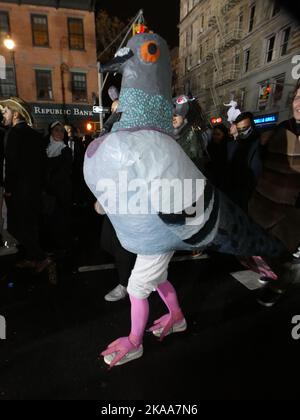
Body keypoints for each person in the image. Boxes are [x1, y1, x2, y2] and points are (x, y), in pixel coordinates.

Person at [84, 33, 298, 369]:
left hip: (179, 228)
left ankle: (135, 342)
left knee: (139, 288)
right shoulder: (134, 141)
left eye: (146, 52)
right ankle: (179, 317)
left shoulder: (156, 149)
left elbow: (178, 208)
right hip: (158, 234)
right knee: (158, 277)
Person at [249, 79, 300, 306]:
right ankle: (274, 274)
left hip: (292, 209)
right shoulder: (282, 128)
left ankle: (279, 285)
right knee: (257, 247)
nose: (299, 104)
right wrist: (261, 145)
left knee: (282, 252)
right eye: (298, 97)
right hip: (266, 203)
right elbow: (264, 163)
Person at [0, 97, 51, 272]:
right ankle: (32, 257)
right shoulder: (34, 134)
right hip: (33, 190)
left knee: (16, 226)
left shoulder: (13, 134)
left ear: (15, 114)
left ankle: (41, 258)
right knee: (30, 225)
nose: (3, 115)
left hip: (19, 191)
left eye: (6, 111)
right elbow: (43, 164)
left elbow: (12, 165)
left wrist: (8, 189)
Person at [42, 121, 72, 256]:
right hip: (47, 192)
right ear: (51, 131)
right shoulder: (45, 148)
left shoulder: (65, 150)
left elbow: (64, 172)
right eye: (56, 130)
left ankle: (61, 246)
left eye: (61, 131)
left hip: (60, 192)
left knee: (60, 220)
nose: (59, 133)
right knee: (48, 220)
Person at [226, 112, 263, 213]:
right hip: (236, 195)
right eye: (239, 129)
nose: (242, 132)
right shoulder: (233, 146)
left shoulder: (261, 145)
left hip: (254, 196)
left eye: (245, 128)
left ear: (252, 126)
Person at [173, 95, 210, 172]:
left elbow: (195, 161)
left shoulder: (192, 133)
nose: (172, 118)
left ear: (185, 114)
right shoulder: (175, 134)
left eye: (176, 115)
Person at [205, 123, 230, 190]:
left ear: (224, 134)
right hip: (214, 179)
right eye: (214, 134)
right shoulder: (210, 147)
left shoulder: (229, 146)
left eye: (218, 134)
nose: (215, 137)